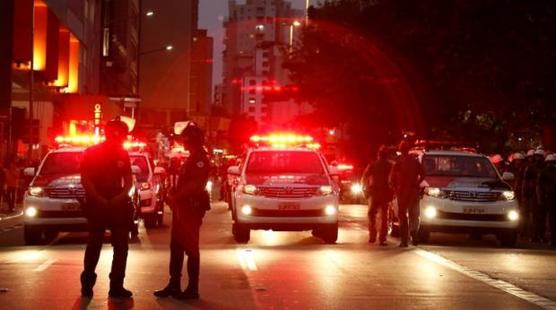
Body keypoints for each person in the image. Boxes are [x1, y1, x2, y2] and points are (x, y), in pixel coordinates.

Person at [155, 122, 210, 300]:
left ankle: (192, 288)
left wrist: (176, 198)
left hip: (191, 209)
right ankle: (174, 285)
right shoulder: (192, 157)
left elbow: (195, 185)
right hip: (183, 208)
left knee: (191, 248)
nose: (183, 143)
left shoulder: (200, 159)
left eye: (185, 139)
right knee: (177, 246)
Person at [80, 118, 134, 299]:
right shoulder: (93, 152)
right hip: (101, 203)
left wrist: (119, 197)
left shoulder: (121, 153)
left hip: (112, 203)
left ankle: (111, 285)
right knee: (98, 244)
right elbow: (86, 179)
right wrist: (101, 198)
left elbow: (128, 181)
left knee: (118, 246)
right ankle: (93, 284)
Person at [392, 141, 425, 247]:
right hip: (414, 191)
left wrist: (394, 188)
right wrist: (417, 183)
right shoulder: (415, 161)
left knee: (402, 216)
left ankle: (404, 240)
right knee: (414, 214)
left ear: (401, 149)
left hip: (403, 191)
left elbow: (392, 176)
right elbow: (423, 174)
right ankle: (414, 233)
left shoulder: (398, 161)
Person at [361, 146, 394, 245]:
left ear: (378, 155)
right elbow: (393, 179)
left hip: (374, 193)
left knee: (372, 214)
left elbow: (364, 178)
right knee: (384, 217)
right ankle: (382, 238)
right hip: (384, 193)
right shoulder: (389, 165)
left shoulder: (373, 165)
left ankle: (373, 236)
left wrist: (365, 191)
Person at [522, 149, 546, 242]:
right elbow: (525, 181)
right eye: (536, 156)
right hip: (533, 195)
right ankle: (534, 235)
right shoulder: (530, 168)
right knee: (534, 216)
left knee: (543, 217)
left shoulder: (545, 168)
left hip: (545, 195)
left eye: (539, 156)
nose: (537, 158)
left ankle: (541, 235)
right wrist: (524, 194)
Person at [537, 154, 556, 246]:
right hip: (548, 197)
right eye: (549, 162)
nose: (551, 164)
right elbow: (539, 186)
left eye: (552, 162)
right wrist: (540, 198)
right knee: (551, 218)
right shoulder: (543, 172)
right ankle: (551, 238)